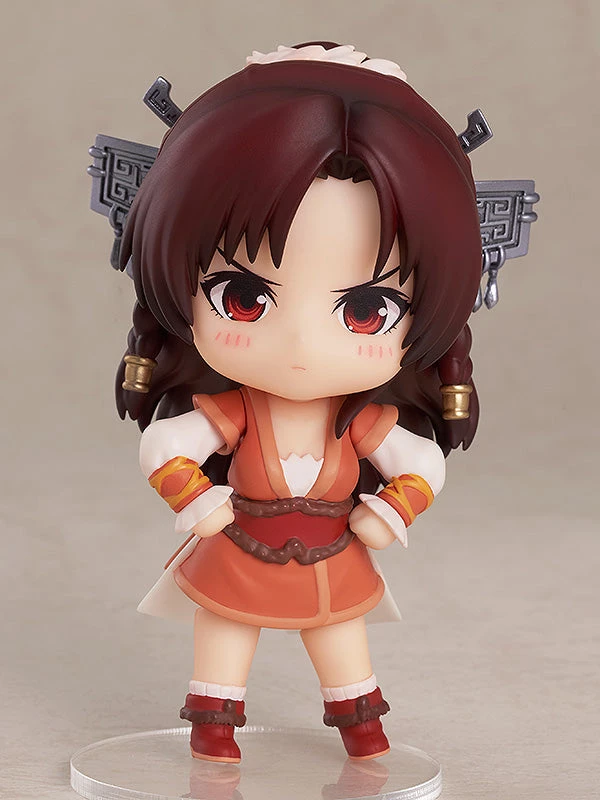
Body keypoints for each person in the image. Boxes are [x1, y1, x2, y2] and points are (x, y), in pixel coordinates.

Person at [116, 42, 482, 763]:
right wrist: (194, 498)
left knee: (341, 637)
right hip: (239, 547)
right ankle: (213, 726)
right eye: (244, 298)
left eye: (367, 312)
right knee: (225, 631)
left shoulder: (361, 423)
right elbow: (165, 446)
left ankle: (362, 728)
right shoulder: (238, 412)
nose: (302, 347)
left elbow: (423, 463)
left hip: (331, 554)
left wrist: (393, 508)